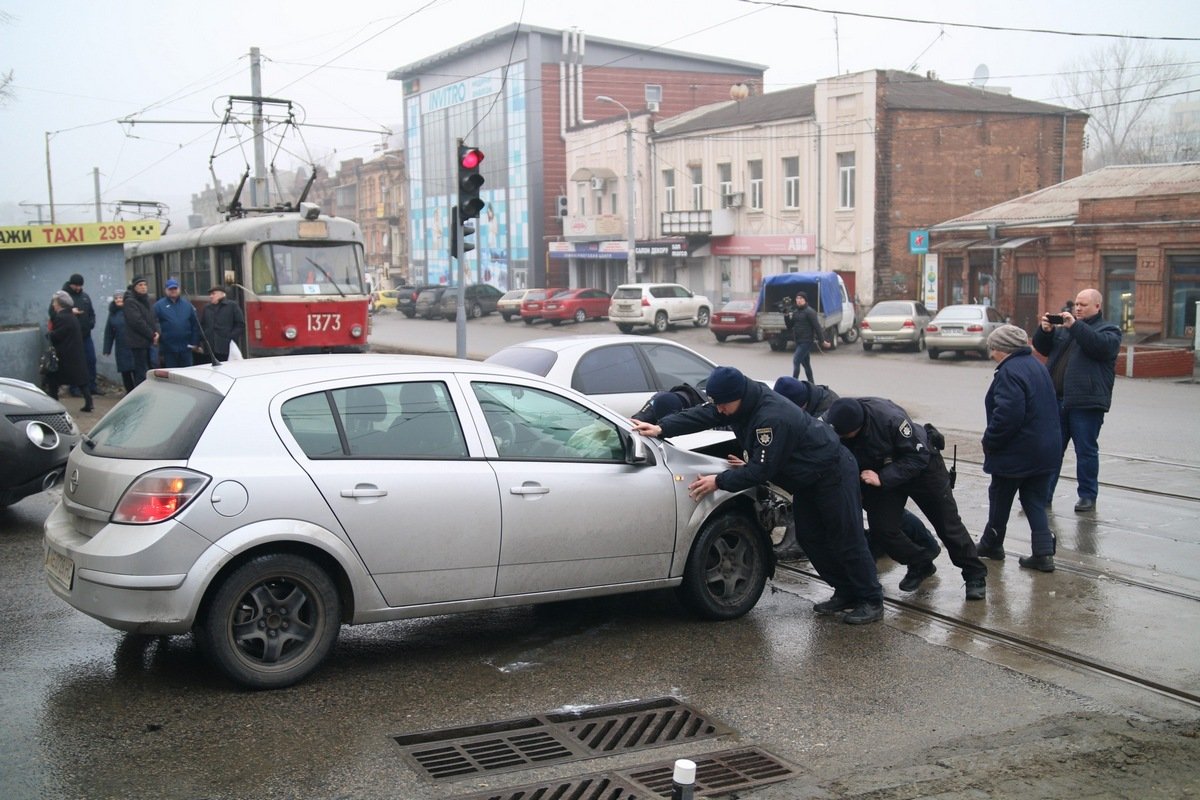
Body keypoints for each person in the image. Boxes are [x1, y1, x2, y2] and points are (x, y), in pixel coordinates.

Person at [632, 366, 885, 625]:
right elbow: (706, 414)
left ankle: (871, 599)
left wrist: (718, 481)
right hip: (805, 478)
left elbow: (760, 471)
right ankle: (845, 590)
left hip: (833, 474)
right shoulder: (740, 402)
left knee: (846, 536)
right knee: (810, 538)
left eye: (723, 404)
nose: (719, 410)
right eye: (717, 403)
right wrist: (661, 428)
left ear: (738, 395)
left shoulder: (771, 417)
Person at [825, 396, 988, 600]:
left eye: (847, 435)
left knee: (948, 524)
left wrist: (882, 478)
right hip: (881, 470)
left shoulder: (890, 419)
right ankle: (920, 563)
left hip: (921, 467)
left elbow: (917, 457)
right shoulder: (835, 419)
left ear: (859, 426)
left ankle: (974, 574)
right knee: (883, 528)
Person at [774, 376, 941, 563]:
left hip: (860, 466)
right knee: (873, 515)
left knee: (883, 514)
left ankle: (924, 546)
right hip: (852, 465)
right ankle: (884, 547)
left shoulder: (828, 408)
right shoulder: (806, 406)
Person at [976, 325, 1062, 572]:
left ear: (1001, 349)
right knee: (1034, 500)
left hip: (1017, 451)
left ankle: (992, 544)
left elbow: (1007, 416)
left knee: (1000, 497)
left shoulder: (1010, 372)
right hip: (1045, 449)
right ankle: (1043, 553)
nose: (991, 354)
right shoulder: (1037, 366)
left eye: (992, 349)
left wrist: (990, 441)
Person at [1032, 288, 1121, 513]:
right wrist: (1045, 331)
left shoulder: (1109, 330)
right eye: (1076, 304)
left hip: (1086, 403)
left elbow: (1097, 346)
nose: (1078, 308)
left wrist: (1074, 325)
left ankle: (1087, 496)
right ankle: (1044, 495)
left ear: (1097, 307)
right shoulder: (1066, 329)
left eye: (1083, 305)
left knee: (1086, 451)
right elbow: (1043, 348)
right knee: (1052, 450)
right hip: (1057, 400)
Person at [51, 273, 102, 396]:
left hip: (86, 335)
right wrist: (70, 312)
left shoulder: (85, 297)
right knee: (74, 363)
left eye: (80, 285)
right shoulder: (62, 297)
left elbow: (92, 313)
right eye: (76, 285)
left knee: (90, 360)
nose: (78, 288)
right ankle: (75, 388)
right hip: (71, 338)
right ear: (70, 284)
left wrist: (91, 324)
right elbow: (53, 314)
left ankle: (92, 386)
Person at [46, 291, 93, 412]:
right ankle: (89, 402)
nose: (53, 305)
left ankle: (54, 405)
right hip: (74, 353)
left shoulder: (62, 317)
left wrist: (50, 334)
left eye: (55, 302)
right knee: (81, 380)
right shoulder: (71, 316)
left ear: (60, 304)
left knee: (52, 379)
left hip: (64, 354)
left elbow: (57, 335)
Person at [121, 276, 160, 387]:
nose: (143, 287)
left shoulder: (146, 300)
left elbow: (153, 318)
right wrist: (152, 334)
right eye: (140, 285)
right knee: (141, 372)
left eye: (145, 285)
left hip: (148, 341)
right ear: (134, 287)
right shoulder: (130, 302)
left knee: (151, 368)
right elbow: (137, 322)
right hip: (138, 342)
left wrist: (157, 331)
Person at [154, 278, 201, 367]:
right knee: (172, 374)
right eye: (170, 289)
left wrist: (194, 342)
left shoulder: (187, 305)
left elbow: (195, 324)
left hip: (186, 348)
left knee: (188, 373)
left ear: (179, 289)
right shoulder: (158, 306)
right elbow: (155, 323)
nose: (173, 291)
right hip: (168, 349)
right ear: (166, 290)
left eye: (175, 288)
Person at [786, 291, 831, 383]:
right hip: (798, 341)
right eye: (797, 298)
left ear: (805, 300)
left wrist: (822, 341)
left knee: (796, 360)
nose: (799, 300)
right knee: (806, 365)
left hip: (806, 341)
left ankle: (793, 383)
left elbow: (817, 327)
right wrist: (786, 315)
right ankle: (812, 383)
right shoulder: (796, 312)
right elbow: (789, 326)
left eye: (801, 299)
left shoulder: (810, 312)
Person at [200, 285, 246, 362]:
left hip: (225, 347)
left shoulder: (232, 306)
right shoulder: (207, 308)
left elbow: (240, 324)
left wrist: (230, 337)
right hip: (210, 348)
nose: (211, 296)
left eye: (213, 294)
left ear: (222, 294)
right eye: (210, 294)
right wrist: (204, 338)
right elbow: (203, 325)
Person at [102, 292, 137, 393]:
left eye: (120, 298)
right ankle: (129, 392)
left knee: (136, 370)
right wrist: (107, 349)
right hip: (121, 347)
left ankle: (137, 392)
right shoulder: (112, 314)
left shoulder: (131, 310)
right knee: (125, 372)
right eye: (116, 298)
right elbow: (109, 332)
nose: (118, 300)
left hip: (134, 345)